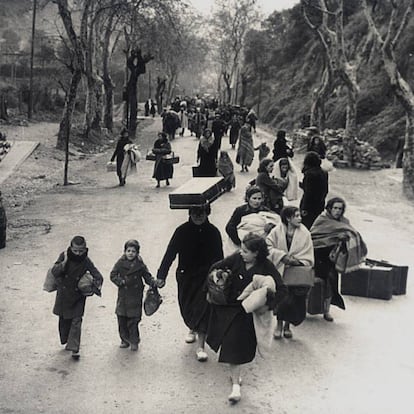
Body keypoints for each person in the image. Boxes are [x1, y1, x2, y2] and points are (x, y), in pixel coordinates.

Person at [206, 233, 287, 404]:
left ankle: (236, 377)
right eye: (241, 250)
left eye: (245, 251)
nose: (241, 253)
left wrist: (268, 305)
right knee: (231, 344)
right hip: (230, 309)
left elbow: (282, 290)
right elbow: (216, 267)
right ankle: (236, 385)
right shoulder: (237, 259)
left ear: (256, 253)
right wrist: (217, 275)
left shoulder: (266, 266)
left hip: (249, 314)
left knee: (240, 348)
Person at [156, 204, 223, 362]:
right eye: (195, 212)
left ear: (207, 213)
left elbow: (219, 257)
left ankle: (201, 346)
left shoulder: (213, 232)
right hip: (186, 276)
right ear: (190, 213)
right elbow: (170, 253)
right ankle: (191, 327)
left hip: (205, 278)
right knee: (187, 306)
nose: (198, 216)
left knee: (203, 309)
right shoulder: (181, 231)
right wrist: (161, 275)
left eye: (202, 213)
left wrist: (220, 275)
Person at [310, 197, 367, 321]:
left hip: (333, 258)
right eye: (335, 208)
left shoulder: (344, 222)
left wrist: (344, 239)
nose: (337, 211)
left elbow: (353, 235)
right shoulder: (322, 220)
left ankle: (326, 311)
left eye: (340, 209)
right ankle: (309, 307)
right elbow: (313, 237)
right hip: (319, 255)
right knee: (316, 282)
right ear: (329, 208)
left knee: (331, 283)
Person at [51, 236, 103, 359]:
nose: (79, 253)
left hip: (78, 296)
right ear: (71, 248)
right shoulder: (64, 256)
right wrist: (62, 265)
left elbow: (98, 275)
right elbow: (54, 271)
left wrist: (92, 286)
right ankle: (65, 340)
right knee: (64, 320)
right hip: (64, 294)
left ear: (85, 249)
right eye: (76, 250)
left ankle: (74, 348)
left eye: (81, 251)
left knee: (76, 321)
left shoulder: (86, 261)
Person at [267, 206, 314, 339]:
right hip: (280, 268)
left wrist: (297, 261)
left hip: (296, 271)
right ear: (288, 218)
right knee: (282, 298)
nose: (300, 218)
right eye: (296, 216)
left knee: (293, 299)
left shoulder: (305, 233)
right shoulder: (277, 231)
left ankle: (287, 326)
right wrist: (282, 256)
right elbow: (268, 247)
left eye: (300, 215)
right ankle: (279, 325)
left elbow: (308, 252)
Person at [110, 239, 157, 351]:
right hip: (123, 296)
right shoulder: (120, 263)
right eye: (128, 251)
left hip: (135, 296)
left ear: (137, 253)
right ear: (125, 251)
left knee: (134, 320)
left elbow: (147, 276)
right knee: (121, 319)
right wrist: (120, 282)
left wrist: (153, 282)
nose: (130, 253)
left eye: (133, 251)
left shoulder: (140, 265)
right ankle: (124, 340)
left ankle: (134, 341)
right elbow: (112, 275)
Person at [225, 186, 276, 250]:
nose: (257, 201)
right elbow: (230, 227)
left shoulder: (265, 211)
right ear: (248, 198)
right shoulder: (240, 210)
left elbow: (275, 221)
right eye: (254, 198)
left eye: (259, 198)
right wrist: (238, 242)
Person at [299, 151, 329, 229]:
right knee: (316, 224)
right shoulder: (324, 172)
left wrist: (304, 207)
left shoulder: (309, 173)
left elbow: (308, 192)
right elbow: (325, 189)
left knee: (306, 225)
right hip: (320, 202)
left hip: (309, 205)